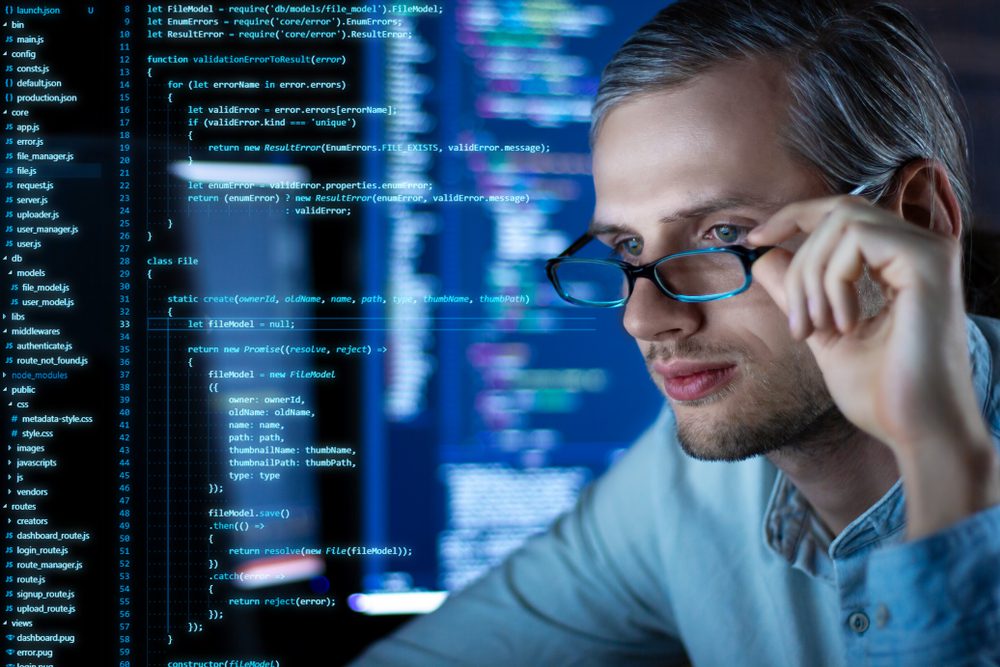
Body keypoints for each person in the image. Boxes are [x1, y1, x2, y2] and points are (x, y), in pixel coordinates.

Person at [353, 1, 1000, 664]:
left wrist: (937, 447)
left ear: (916, 219)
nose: (644, 317)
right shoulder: (682, 485)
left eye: (723, 234)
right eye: (629, 245)